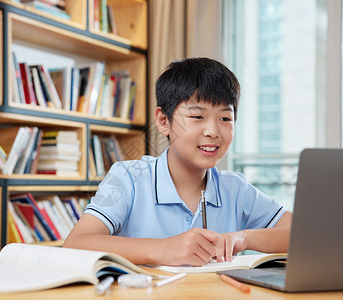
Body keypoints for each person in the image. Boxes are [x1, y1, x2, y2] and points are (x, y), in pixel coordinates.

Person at [63, 57, 292, 267]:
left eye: (225, 118)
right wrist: (163, 249)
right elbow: (76, 243)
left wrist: (244, 238)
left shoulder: (236, 188)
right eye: (197, 117)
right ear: (164, 122)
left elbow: (303, 233)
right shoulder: (128, 178)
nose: (212, 131)